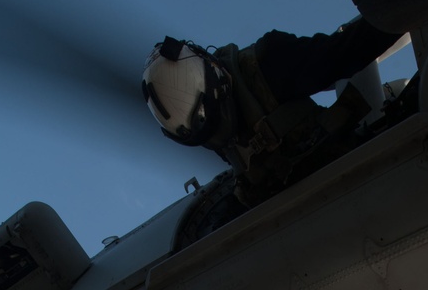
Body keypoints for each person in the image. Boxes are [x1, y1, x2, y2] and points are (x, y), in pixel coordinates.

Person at [141, 16, 402, 203]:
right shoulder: (215, 134)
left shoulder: (270, 63)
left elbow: (345, 52)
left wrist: (401, 8)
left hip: (355, 171)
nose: (216, 133)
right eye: (204, 129)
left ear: (216, 79)